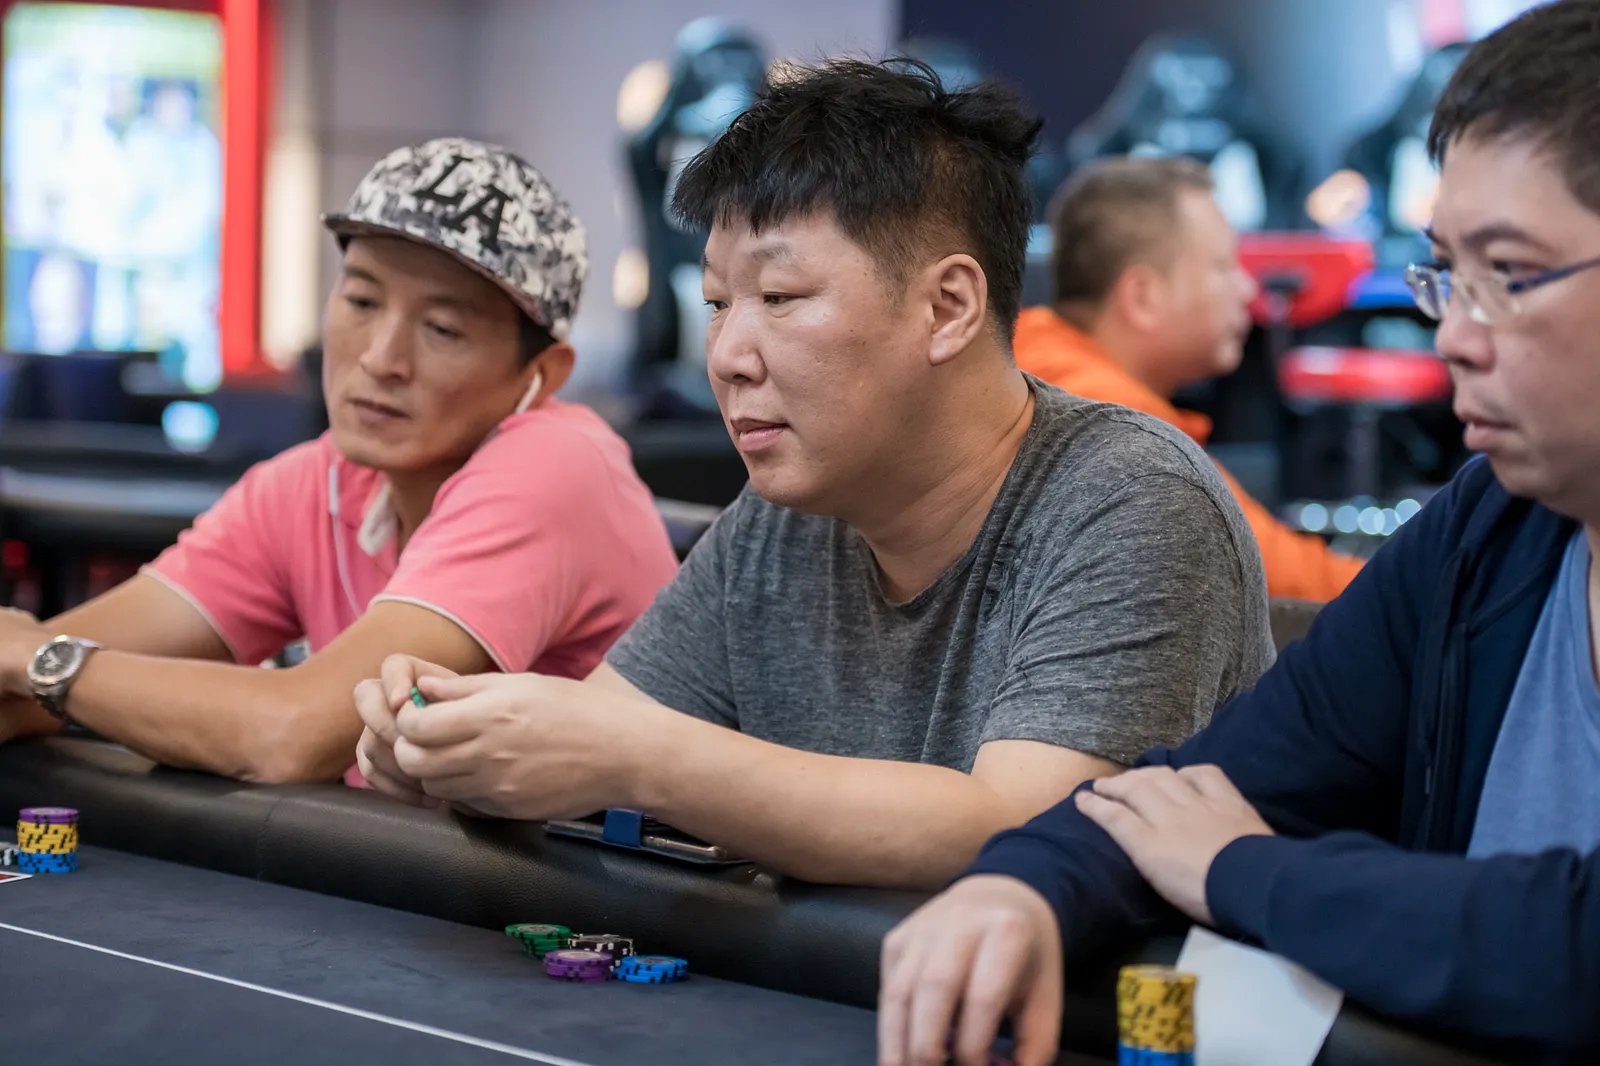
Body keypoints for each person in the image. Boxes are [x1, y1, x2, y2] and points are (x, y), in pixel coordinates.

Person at [353, 60, 1274, 892]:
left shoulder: (1132, 499)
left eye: (780, 298)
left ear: (948, 306)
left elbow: (1022, 827)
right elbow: (595, 739)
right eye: (717, 303)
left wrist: (636, 758)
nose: (728, 356)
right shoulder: (785, 514)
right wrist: (458, 750)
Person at [879, 5, 1600, 1063]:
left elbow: (1568, 944)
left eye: (1510, 273)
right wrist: (1019, 886)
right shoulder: (1486, 528)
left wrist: (1238, 868)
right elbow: (1205, 784)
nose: (1452, 331)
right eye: (1449, 272)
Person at [0, 137, 679, 785]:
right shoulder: (310, 483)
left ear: (542, 373)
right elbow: (19, 688)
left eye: (442, 328)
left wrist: (42, 660)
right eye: (361, 300)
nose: (381, 359)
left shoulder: (555, 466)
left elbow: (290, 733)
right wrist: (38, 668)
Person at [1016, 155, 1364, 602]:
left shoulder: (1039, 367)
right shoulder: (1114, 425)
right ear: (1143, 297)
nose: (1248, 289)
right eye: (1223, 267)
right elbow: (1284, 584)